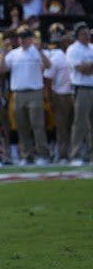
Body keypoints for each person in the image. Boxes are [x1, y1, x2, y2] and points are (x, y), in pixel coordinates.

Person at [0, 26, 50, 165]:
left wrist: (40, 51)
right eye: (20, 37)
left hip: (35, 92)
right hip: (18, 93)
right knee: (22, 126)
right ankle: (27, 156)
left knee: (37, 125)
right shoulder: (14, 54)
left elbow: (48, 65)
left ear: (30, 38)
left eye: (25, 37)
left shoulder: (36, 52)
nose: (22, 39)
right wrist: (3, 52)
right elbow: (1, 69)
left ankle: (43, 155)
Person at [43, 23, 72, 162]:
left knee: (77, 125)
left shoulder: (75, 54)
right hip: (60, 94)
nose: (68, 41)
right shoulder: (57, 57)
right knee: (62, 127)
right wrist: (50, 98)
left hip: (75, 93)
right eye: (66, 40)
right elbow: (47, 80)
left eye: (69, 39)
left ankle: (77, 152)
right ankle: (62, 154)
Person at [67, 21, 93, 166]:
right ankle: (75, 155)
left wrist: (88, 65)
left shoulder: (92, 48)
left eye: (88, 33)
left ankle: (91, 155)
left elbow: (86, 68)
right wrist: (88, 66)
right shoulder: (73, 49)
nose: (87, 35)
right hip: (81, 88)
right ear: (77, 35)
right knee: (80, 123)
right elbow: (81, 69)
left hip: (92, 86)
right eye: (84, 33)